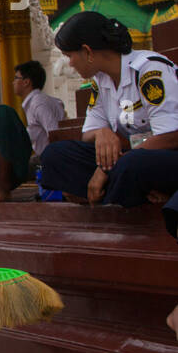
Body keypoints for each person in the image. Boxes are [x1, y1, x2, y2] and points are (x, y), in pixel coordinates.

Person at [39, 12, 178, 207]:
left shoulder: (149, 71)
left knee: (131, 165)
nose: (70, 63)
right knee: (55, 154)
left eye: (70, 56)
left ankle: (113, 196)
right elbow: (88, 134)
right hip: (127, 158)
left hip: (165, 155)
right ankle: (127, 194)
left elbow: (170, 137)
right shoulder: (100, 81)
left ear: (87, 51)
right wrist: (102, 133)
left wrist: (104, 169)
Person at [13, 60, 65, 158]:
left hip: (53, 159)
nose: (13, 82)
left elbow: (54, 133)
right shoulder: (36, 102)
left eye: (16, 78)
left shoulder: (38, 103)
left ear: (26, 82)